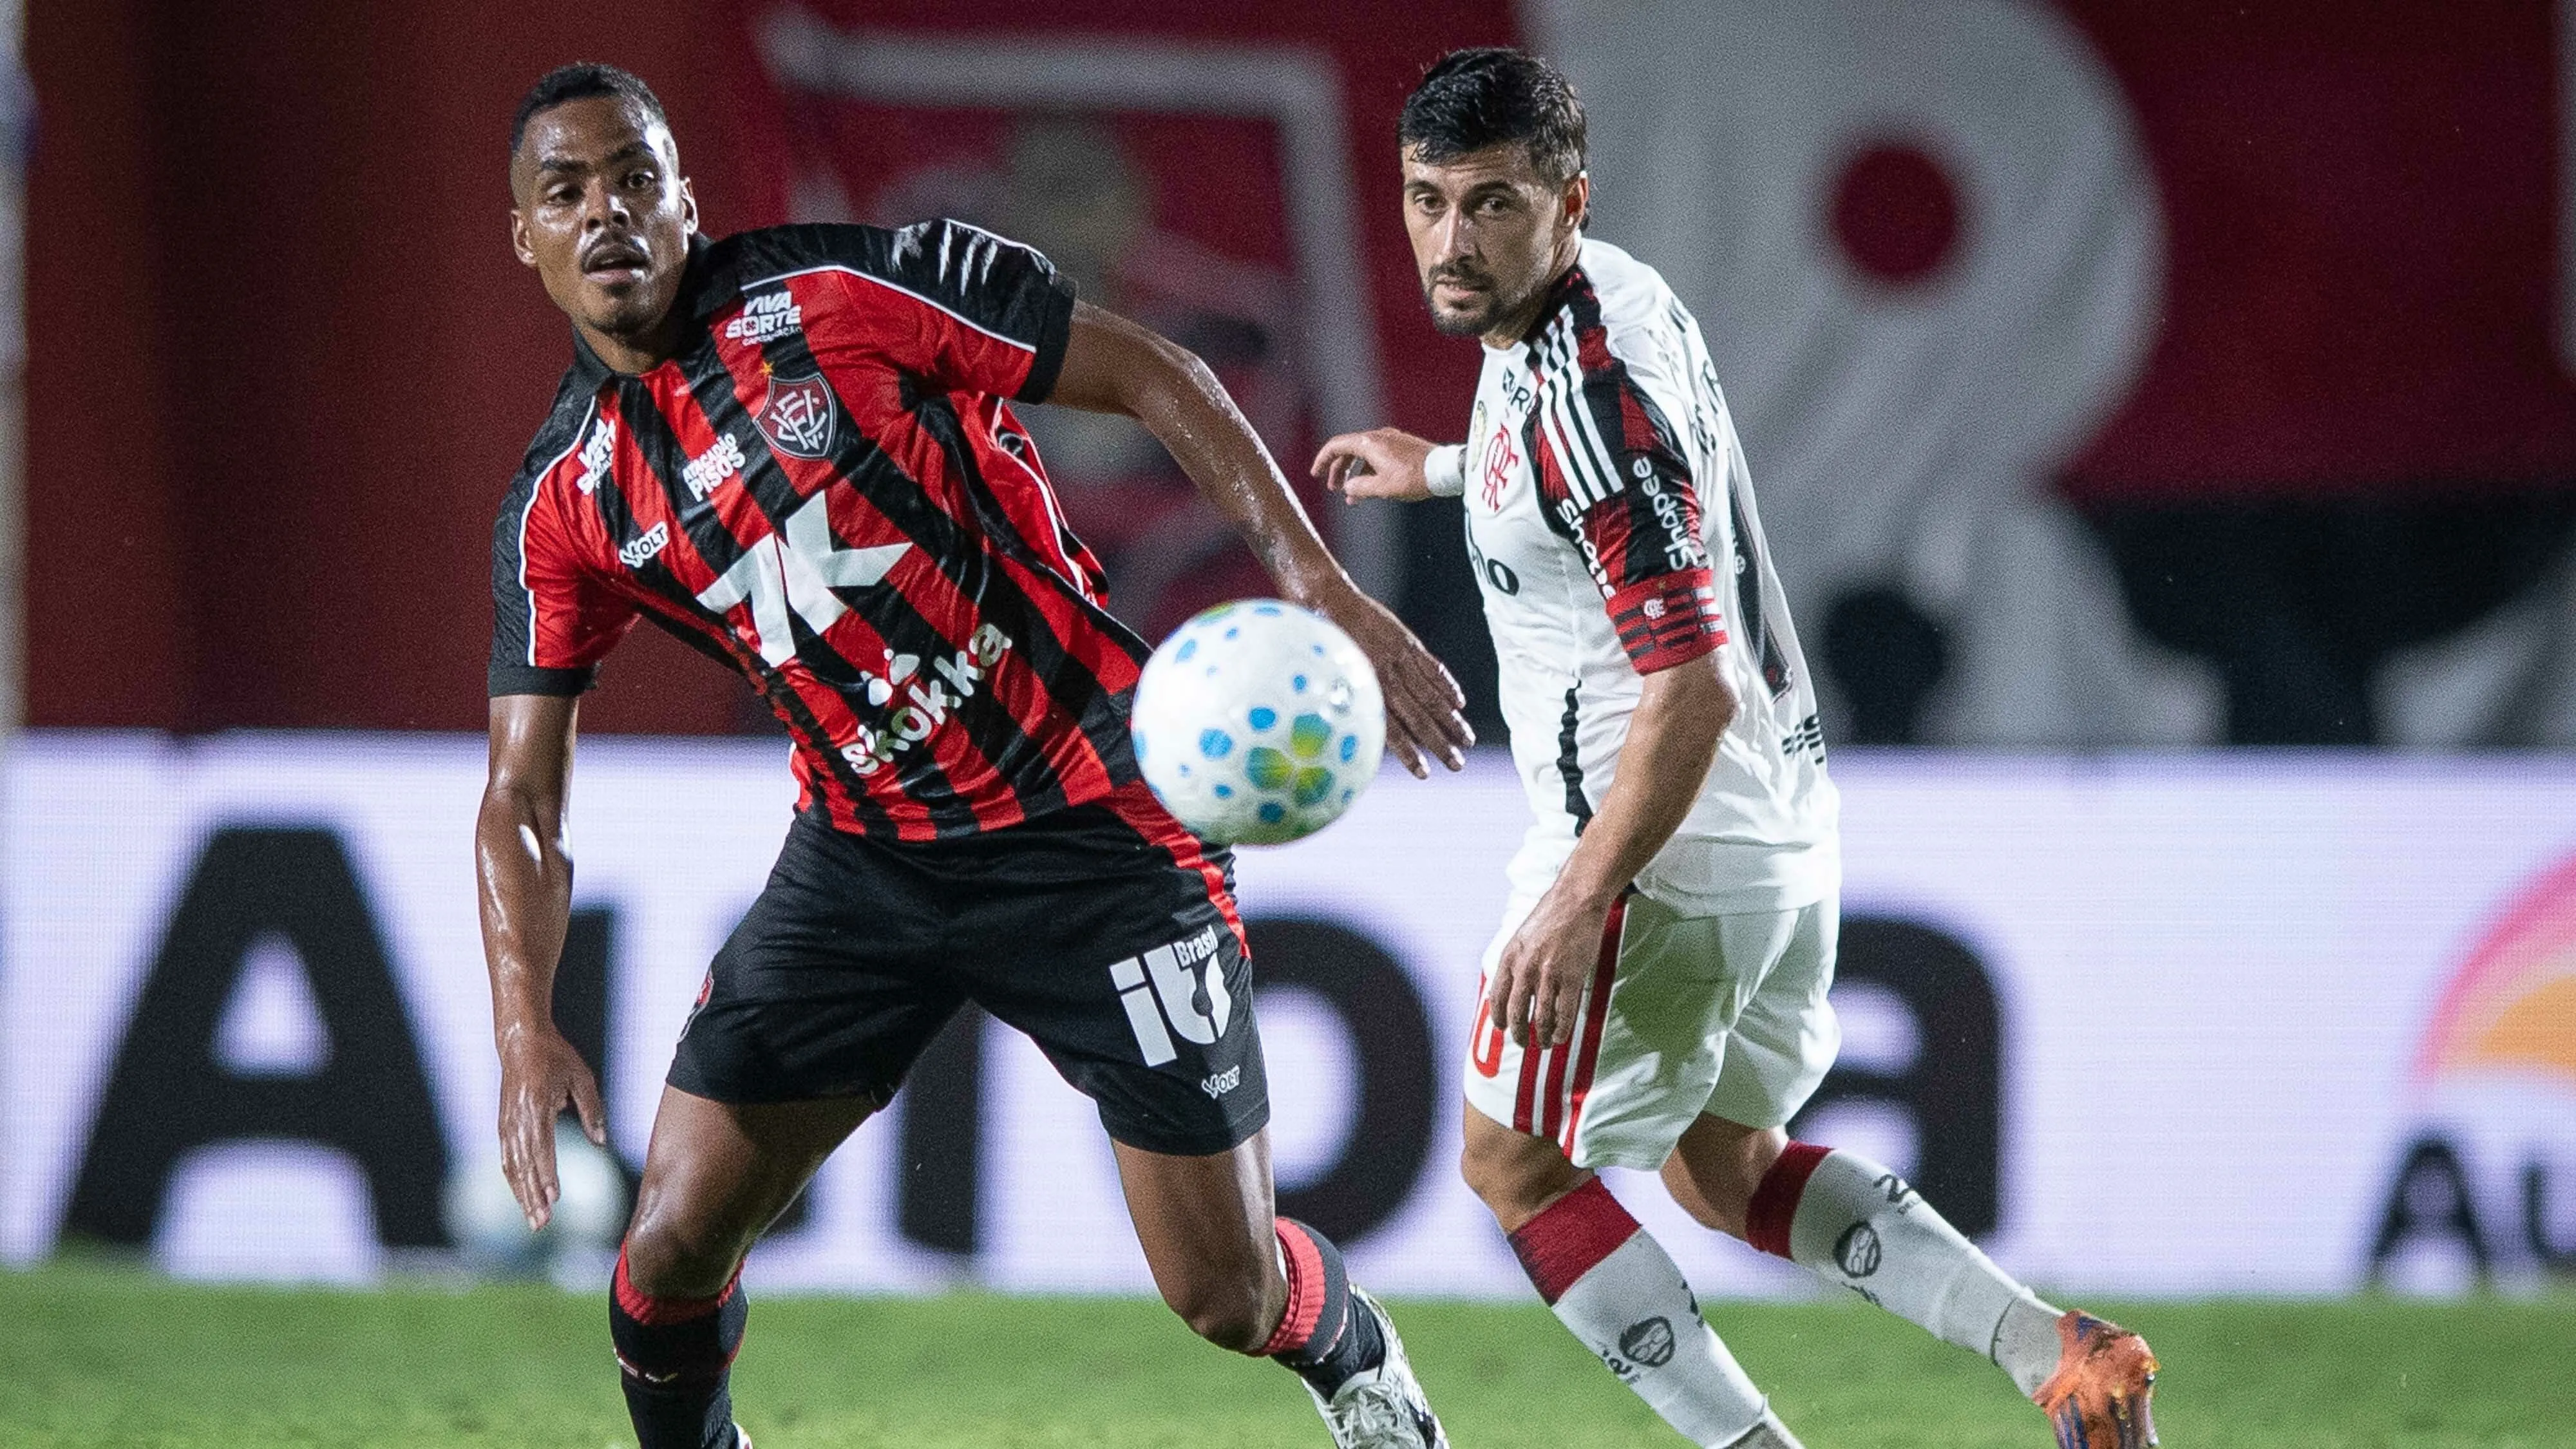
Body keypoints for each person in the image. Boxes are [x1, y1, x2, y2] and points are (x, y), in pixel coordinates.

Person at [478, 63, 1471, 1449]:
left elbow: (1153, 370)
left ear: (684, 200)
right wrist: (524, 1030)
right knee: (662, 1255)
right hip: (864, 862)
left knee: (1227, 1294)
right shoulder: (564, 502)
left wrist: (1315, 586)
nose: (607, 214)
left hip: (1101, 827)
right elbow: (520, 799)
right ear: (523, 236)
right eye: (565, 193)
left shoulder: (841, 294)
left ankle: (1352, 1348)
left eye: (634, 178)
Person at [1315, 48, 2159, 1449]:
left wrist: (1581, 895)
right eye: (1425, 200)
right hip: (1779, 827)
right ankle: (2056, 1356)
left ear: (1565, 202)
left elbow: (1688, 681)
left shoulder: (1587, 396)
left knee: (1512, 1169)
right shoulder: (1617, 296)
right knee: (1725, 1167)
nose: (1451, 242)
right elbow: (1623, 496)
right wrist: (1447, 470)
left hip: (1659, 845)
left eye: (1491, 206)